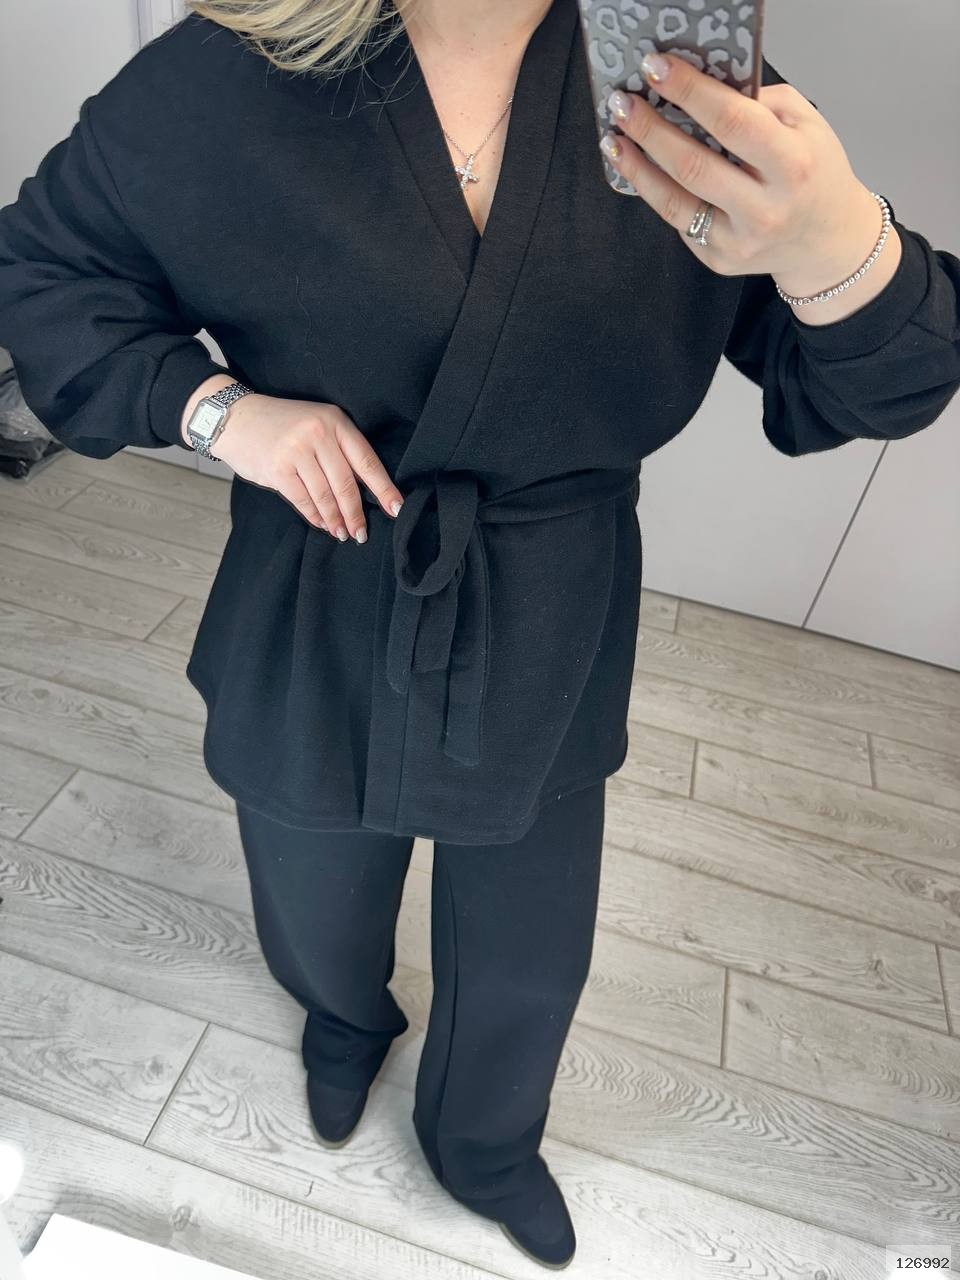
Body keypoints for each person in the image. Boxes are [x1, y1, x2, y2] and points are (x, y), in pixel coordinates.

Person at [0, 0, 957, 1268]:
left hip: (549, 600)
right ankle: (343, 1017)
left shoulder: (674, 79)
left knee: (529, 936)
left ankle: (485, 1140)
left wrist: (839, 245)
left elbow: (876, 378)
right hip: (320, 568)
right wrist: (218, 410)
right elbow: (42, 272)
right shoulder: (235, 69)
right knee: (310, 881)